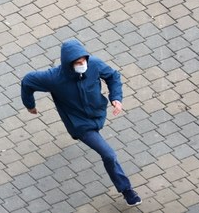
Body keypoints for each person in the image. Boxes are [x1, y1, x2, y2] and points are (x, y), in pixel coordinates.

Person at [21, 39, 142, 206]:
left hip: (99, 113)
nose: (83, 64)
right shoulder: (53, 78)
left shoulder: (94, 64)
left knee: (105, 147)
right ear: (68, 64)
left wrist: (116, 97)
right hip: (80, 125)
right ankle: (127, 190)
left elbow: (113, 76)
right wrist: (30, 105)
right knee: (109, 155)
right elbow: (27, 81)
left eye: (84, 60)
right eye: (78, 62)